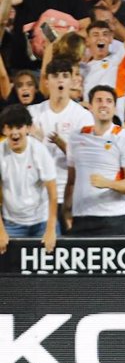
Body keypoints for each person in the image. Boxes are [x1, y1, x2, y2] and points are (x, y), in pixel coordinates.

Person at [28, 58, 93, 233]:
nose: (60, 80)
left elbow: (84, 160)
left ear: (72, 80)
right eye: (55, 76)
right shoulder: (32, 114)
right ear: (46, 81)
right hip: (38, 194)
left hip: (70, 194)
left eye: (65, 76)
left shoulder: (83, 117)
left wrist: (58, 142)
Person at [64, 85, 125, 235]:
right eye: (99, 100)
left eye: (109, 101)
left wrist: (108, 183)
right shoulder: (75, 137)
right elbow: (72, 180)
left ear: (114, 107)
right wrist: (66, 212)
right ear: (90, 106)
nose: (104, 104)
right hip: (81, 218)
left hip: (113, 218)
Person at [81, 0, 125, 123]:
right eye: (95, 34)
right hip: (87, 129)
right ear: (87, 40)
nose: (101, 38)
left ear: (111, 39)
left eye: (105, 34)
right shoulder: (80, 68)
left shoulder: (118, 60)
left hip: (114, 128)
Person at [0, 104, 57, 254]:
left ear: (28, 128)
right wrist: (0, 230)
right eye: (9, 128)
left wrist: (51, 229)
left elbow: (53, 192)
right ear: (4, 130)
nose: (14, 133)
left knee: (49, 274)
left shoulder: (39, 151)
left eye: (19, 127)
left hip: (42, 221)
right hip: (12, 224)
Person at [10, 0, 90, 71]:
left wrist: (61, 37)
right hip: (25, 69)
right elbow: (9, 0)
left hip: (61, 70)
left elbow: (86, 29)